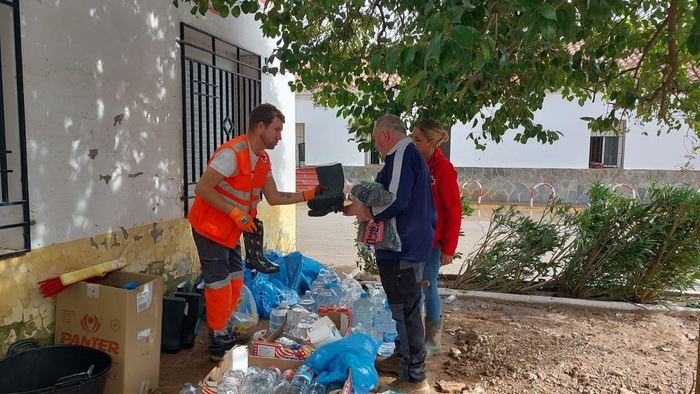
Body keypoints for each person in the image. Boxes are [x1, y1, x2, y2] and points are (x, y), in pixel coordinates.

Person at [188, 103, 323, 361]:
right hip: (209, 228)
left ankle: (223, 327)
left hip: (230, 231)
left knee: (236, 280)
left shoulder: (261, 159)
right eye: (276, 130)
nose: (280, 136)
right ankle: (218, 341)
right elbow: (203, 189)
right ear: (260, 127)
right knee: (218, 284)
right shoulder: (232, 154)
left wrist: (308, 194)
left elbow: (273, 197)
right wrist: (235, 212)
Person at [343, 114, 435, 393]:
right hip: (405, 245)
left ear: (385, 135)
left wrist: (366, 211)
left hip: (402, 248)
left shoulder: (402, 155)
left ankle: (415, 378)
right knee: (404, 309)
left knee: (405, 311)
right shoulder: (405, 156)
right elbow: (387, 194)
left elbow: (394, 200)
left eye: (374, 139)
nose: (375, 145)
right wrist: (359, 205)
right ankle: (402, 360)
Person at [412, 119, 461, 356]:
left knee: (428, 285)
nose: (413, 143)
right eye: (413, 138)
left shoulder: (443, 169)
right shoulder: (415, 163)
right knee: (414, 287)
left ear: (432, 142)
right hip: (413, 238)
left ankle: (433, 340)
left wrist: (449, 248)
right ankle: (416, 335)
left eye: (418, 140)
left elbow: (453, 210)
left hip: (433, 242)